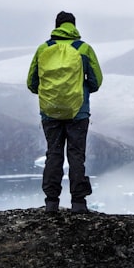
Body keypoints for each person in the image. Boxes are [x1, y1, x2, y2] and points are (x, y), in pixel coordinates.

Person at [27, 11, 103, 213]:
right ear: (74, 26)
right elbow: (96, 81)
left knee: (54, 154)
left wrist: (49, 96)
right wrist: (81, 90)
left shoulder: (43, 49)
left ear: (56, 26)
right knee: (76, 155)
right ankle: (79, 203)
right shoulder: (83, 49)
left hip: (50, 112)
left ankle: (51, 202)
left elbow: (32, 82)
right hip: (78, 112)